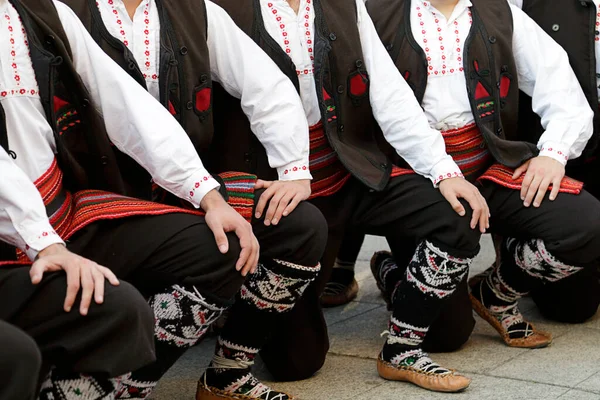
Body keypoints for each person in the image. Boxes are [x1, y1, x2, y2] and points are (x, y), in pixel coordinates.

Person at [0, 0, 322, 397]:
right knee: (115, 311)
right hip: (87, 201)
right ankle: (108, 384)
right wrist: (44, 241)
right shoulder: (71, 7)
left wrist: (212, 193)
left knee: (280, 248)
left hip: (99, 206)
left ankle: (221, 375)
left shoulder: (41, 12)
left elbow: (128, 106)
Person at [214, 0, 494, 393]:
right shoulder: (220, 8)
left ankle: (401, 348)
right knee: (296, 361)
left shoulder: (346, 4)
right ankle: (235, 305)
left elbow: (389, 93)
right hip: (280, 193)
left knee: (456, 227)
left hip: (350, 171)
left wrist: (444, 171)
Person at [364, 0, 600, 356]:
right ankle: (395, 273)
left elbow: (558, 82)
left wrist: (552, 154)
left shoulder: (498, 10)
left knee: (586, 224)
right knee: (446, 335)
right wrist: (441, 170)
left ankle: (494, 293)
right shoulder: (375, 14)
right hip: (422, 180)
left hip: (490, 167)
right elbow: (390, 111)